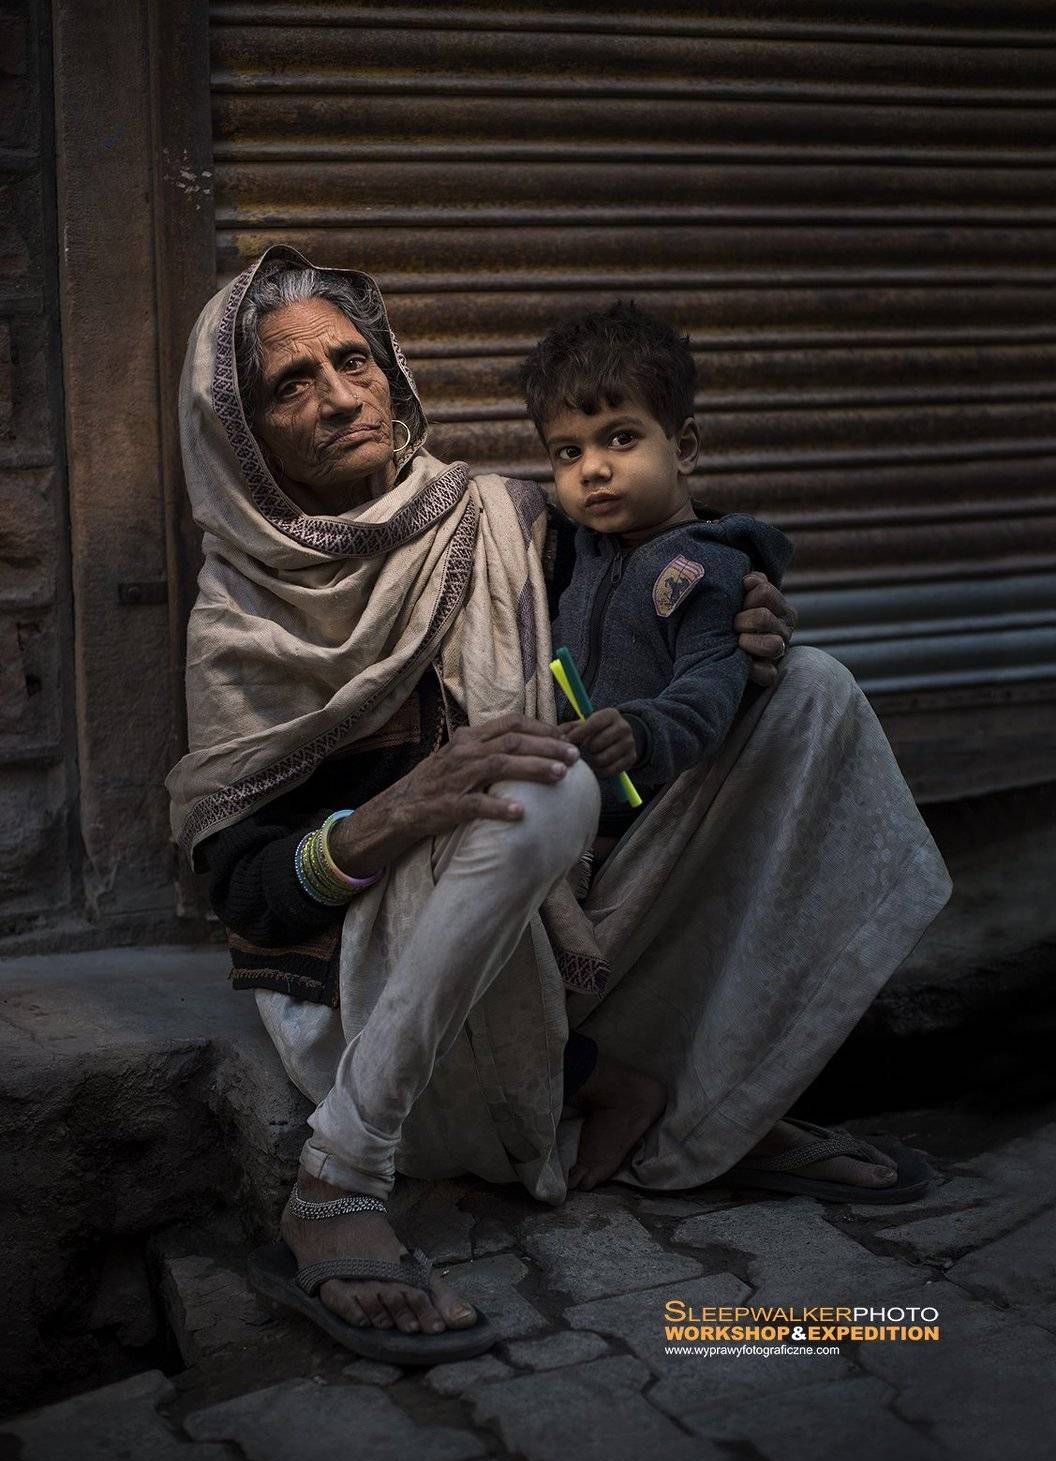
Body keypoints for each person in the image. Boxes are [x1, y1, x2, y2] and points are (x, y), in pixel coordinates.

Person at [166, 246, 952, 1365]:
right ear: (239, 435)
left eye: (354, 361)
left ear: (392, 370)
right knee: (535, 778)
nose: (339, 397)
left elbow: (661, 559)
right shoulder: (238, 621)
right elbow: (246, 894)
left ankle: (712, 1106)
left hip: (568, 931)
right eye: (292, 383)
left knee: (810, 691)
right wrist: (397, 813)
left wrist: (738, 620)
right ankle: (337, 1179)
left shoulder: (503, 518)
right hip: (393, 1000)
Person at [521, 299, 795, 879]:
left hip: (654, 830)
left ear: (684, 448)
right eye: (569, 452)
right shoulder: (574, 548)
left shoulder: (709, 570)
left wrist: (642, 734)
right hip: (567, 809)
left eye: (621, 438)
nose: (592, 469)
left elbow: (708, 695)